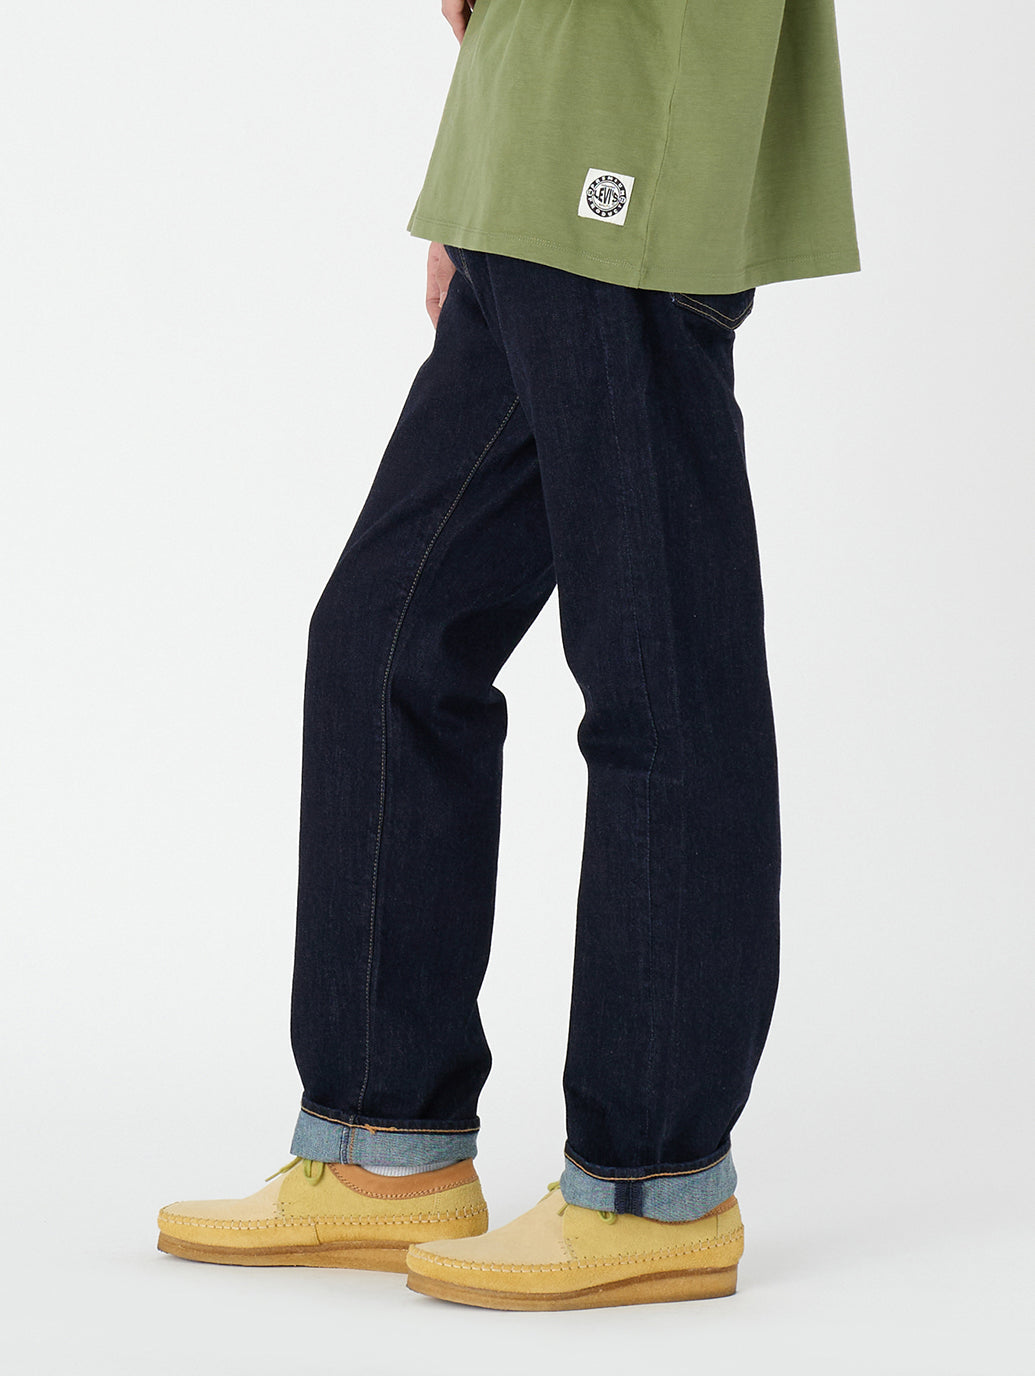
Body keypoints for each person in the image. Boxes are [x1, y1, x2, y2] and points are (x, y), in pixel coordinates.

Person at [157, 0, 860, 1311]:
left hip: (626, 127)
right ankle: (384, 1151)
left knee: (657, 673)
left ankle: (652, 1184)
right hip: (528, 152)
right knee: (386, 640)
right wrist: (472, 183)